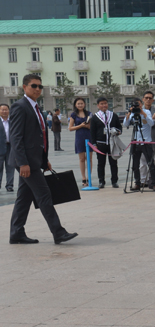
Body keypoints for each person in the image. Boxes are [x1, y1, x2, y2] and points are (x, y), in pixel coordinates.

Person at [8, 74, 77, 245]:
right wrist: (23, 162)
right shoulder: (19, 106)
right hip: (25, 162)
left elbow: (39, 137)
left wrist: (44, 160)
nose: (38, 89)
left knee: (24, 197)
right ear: (24, 87)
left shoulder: (35, 107)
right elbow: (16, 137)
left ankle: (16, 233)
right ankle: (58, 232)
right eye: (34, 86)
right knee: (44, 194)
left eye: (40, 86)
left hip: (33, 160)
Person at [123, 97, 155, 190]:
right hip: (136, 141)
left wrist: (142, 113)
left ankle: (154, 183)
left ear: (141, 105)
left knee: (150, 163)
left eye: (138, 105)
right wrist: (129, 113)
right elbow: (125, 124)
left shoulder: (146, 112)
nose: (137, 107)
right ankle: (137, 183)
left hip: (146, 141)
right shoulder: (132, 113)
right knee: (135, 165)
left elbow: (151, 123)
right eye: (135, 105)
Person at [89, 97, 123, 188]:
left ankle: (114, 181)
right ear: (98, 105)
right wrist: (94, 144)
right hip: (101, 143)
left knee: (113, 163)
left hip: (112, 143)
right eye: (102, 104)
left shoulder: (113, 115)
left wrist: (118, 132)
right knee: (101, 163)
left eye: (105, 103)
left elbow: (119, 127)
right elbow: (92, 131)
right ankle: (101, 181)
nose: (104, 105)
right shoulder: (95, 117)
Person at [69, 98, 91, 187]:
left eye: (82, 103)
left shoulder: (89, 114)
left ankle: (89, 176)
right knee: (82, 158)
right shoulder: (73, 115)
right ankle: (83, 177)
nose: (80, 105)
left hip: (89, 136)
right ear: (75, 105)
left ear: (84, 104)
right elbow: (70, 128)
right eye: (78, 103)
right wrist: (80, 125)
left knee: (89, 158)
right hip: (79, 137)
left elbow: (91, 126)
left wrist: (86, 126)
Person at [0, 103, 14, 192]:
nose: (4, 111)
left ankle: (9, 185)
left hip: (10, 147)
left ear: (9, 111)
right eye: (2, 109)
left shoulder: (12, 121)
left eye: (6, 109)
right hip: (0, 147)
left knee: (10, 168)